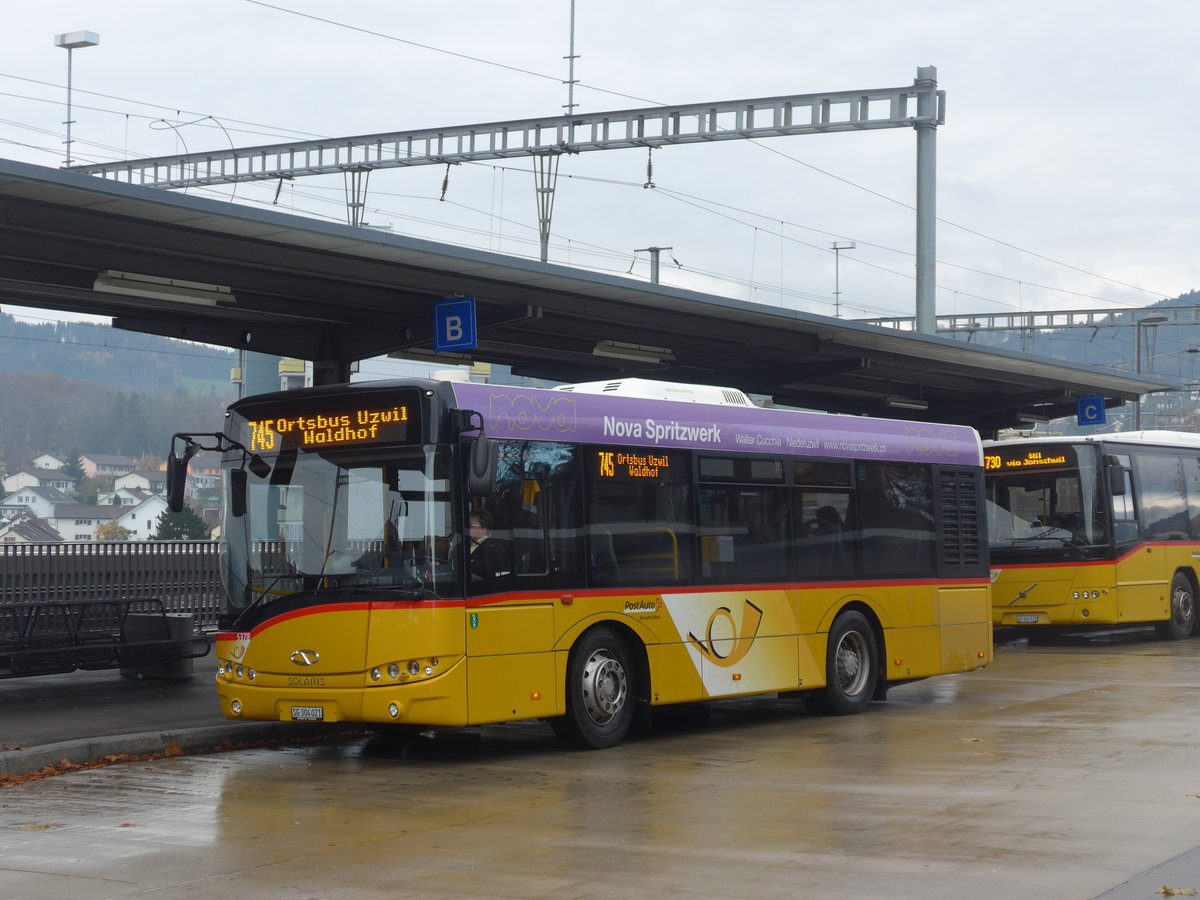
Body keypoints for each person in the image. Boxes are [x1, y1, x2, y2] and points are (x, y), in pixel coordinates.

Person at [468, 509, 511, 583]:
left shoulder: (491, 548)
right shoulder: (471, 543)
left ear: (483, 529)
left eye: (470, 525)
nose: (467, 528)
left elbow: (486, 574)